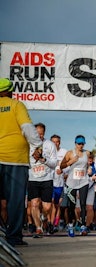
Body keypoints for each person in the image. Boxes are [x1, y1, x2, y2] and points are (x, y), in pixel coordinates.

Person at [0, 78, 42, 246]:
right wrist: (38, 145)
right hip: (15, 160)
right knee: (15, 201)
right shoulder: (16, 105)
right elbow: (27, 128)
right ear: (10, 91)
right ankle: (14, 237)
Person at [27, 123, 57, 238]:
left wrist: (43, 159)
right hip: (33, 178)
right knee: (34, 204)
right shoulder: (28, 145)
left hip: (47, 178)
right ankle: (38, 228)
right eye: (37, 134)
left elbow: (54, 164)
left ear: (44, 133)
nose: (39, 136)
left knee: (47, 207)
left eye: (41, 134)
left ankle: (44, 218)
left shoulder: (50, 145)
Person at [59, 135, 92, 236]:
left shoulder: (87, 153)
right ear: (75, 143)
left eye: (82, 143)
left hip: (83, 181)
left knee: (83, 204)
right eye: (79, 144)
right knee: (71, 205)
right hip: (71, 182)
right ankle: (70, 225)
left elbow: (89, 164)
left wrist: (89, 168)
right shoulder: (69, 153)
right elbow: (61, 166)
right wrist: (70, 162)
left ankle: (83, 226)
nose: (81, 146)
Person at [50, 134, 68, 233]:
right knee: (51, 205)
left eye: (57, 142)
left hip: (60, 184)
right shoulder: (47, 152)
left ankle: (55, 224)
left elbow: (69, 166)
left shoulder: (64, 152)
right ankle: (49, 222)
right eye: (53, 142)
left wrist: (63, 171)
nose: (55, 144)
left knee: (57, 205)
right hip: (49, 183)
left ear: (59, 142)